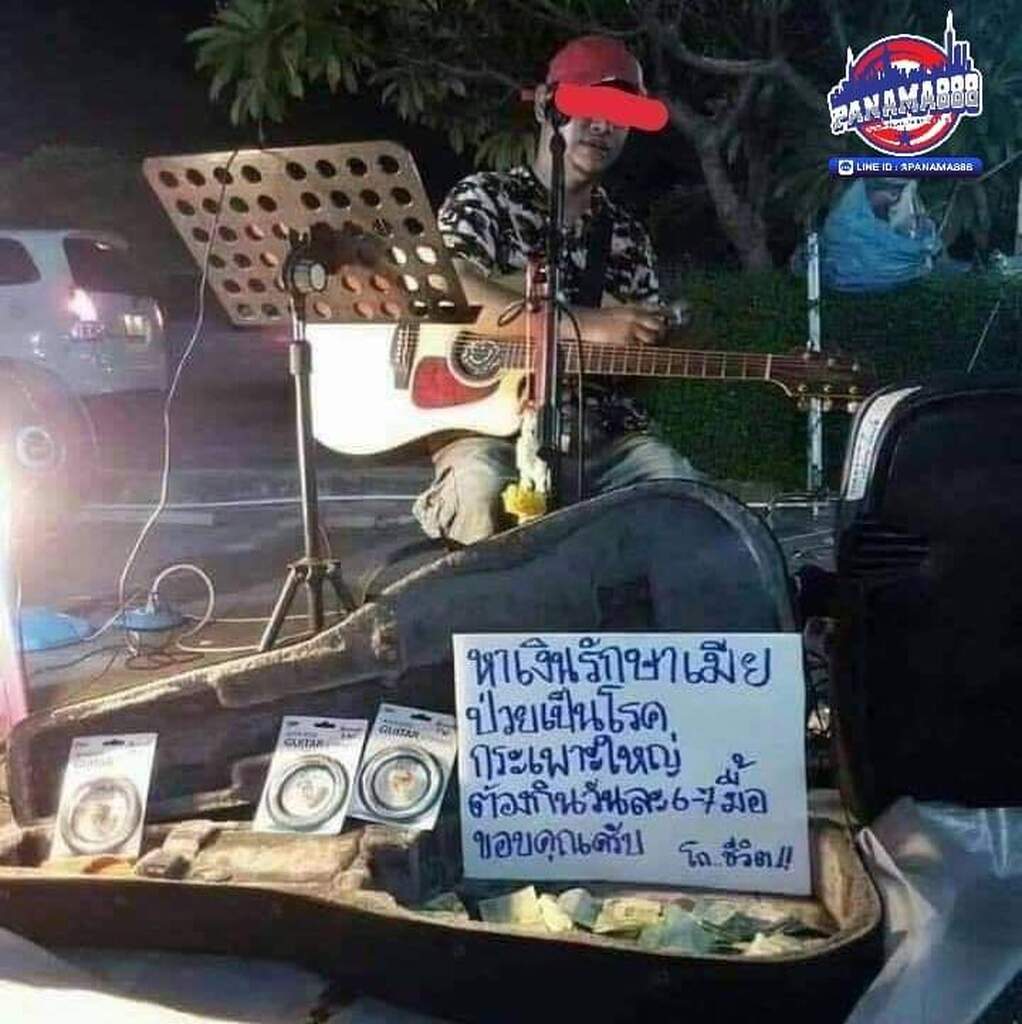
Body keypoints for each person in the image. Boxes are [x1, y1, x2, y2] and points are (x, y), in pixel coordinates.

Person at [412, 35, 700, 546]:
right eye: (588, 105)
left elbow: (634, 366)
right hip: (488, 434)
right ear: (548, 105)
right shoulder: (485, 200)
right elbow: (452, 286)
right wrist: (589, 324)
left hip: (604, 441)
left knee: (679, 492)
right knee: (479, 488)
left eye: (620, 113)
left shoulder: (627, 236)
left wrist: (652, 342)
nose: (604, 125)